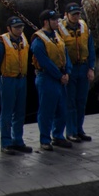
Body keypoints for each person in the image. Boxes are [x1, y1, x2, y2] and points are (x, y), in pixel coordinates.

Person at [0, 16, 33, 154]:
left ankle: (18, 140)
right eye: (16, 28)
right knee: (7, 113)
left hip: (21, 79)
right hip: (8, 79)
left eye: (20, 27)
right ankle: (6, 142)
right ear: (9, 29)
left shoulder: (23, 41)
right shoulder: (1, 44)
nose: (19, 30)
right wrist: (0, 80)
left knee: (20, 112)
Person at [31, 9, 73, 151]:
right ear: (46, 22)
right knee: (46, 110)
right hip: (47, 78)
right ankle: (45, 139)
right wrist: (59, 76)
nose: (57, 22)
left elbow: (65, 55)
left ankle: (58, 135)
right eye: (54, 20)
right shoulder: (38, 41)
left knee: (62, 109)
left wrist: (67, 71)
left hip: (60, 77)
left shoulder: (57, 36)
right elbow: (45, 62)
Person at [58, 3, 95, 141]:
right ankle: (71, 131)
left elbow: (90, 48)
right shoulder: (60, 30)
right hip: (71, 68)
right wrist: (65, 71)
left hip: (83, 67)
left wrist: (91, 67)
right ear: (66, 15)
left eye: (77, 14)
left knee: (81, 101)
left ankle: (79, 129)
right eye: (73, 14)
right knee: (70, 102)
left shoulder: (84, 27)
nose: (76, 17)